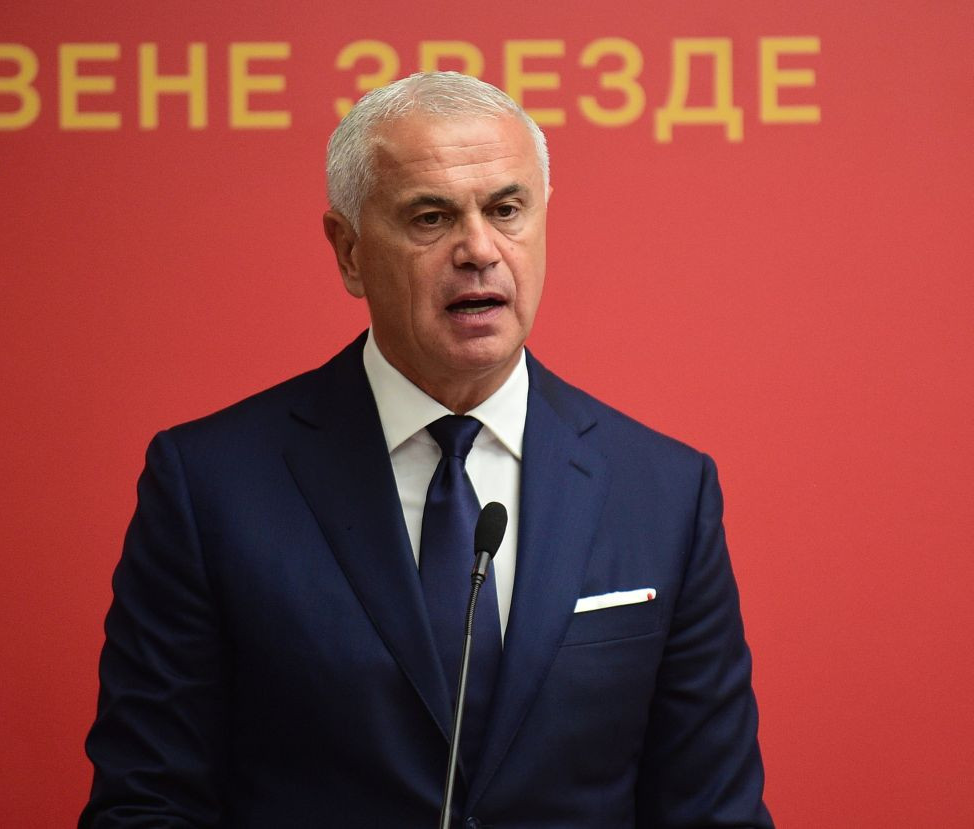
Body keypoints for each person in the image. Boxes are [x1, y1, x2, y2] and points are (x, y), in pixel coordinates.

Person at [80, 72, 773, 828]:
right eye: (431, 217)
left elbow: (715, 811)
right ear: (349, 251)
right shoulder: (210, 486)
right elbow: (148, 803)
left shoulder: (665, 491)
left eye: (506, 210)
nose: (479, 250)